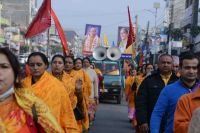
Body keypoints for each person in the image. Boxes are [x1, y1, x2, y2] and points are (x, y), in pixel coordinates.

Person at [0, 48, 62, 132]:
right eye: (32, 65)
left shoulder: (29, 101)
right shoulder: (24, 84)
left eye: (4, 66)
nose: (35, 68)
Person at [23, 52, 78, 133]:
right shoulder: (22, 85)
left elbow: (66, 112)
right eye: (32, 65)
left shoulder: (57, 85)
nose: (35, 67)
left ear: (46, 65)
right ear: (28, 66)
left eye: (39, 64)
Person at [150, 52, 199, 133]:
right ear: (180, 69)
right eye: (187, 68)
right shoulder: (168, 90)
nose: (191, 71)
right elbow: (157, 114)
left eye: (194, 68)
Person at [135, 54, 178, 133]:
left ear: (172, 65)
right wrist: (142, 121)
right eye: (163, 62)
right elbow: (141, 102)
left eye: (168, 63)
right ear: (158, 64)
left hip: (172, 124)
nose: (165, 65)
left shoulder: (178, 82)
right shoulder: (149, 80)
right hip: (151, 122)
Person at [51, 55, 85, 132]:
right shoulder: (44, 79)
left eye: (60, 63)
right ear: (51, 64)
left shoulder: (71, 80)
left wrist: (79, 91)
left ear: (63, 66)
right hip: (49, 115)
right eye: (54, 62)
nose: (57, 65)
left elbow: (79, 101)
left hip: (68, 115)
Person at [66, 56, 91, 131]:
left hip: (78, 101)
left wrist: (80, 91)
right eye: (66, 62)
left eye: (70, 63)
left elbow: (88, 86)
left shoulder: (81, 74)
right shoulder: (59, 75)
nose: (67, 64)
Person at [83, 57, 99, 123]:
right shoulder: (79, 71)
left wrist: (96, 95)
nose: (85, 63)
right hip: (81, 95)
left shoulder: (93, 72)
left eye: (87, 62)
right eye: (84, 62)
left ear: (89, 63)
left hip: (91, 95)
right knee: (83, 111)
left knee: (90, 112)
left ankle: (89, 122)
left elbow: (95, 84)